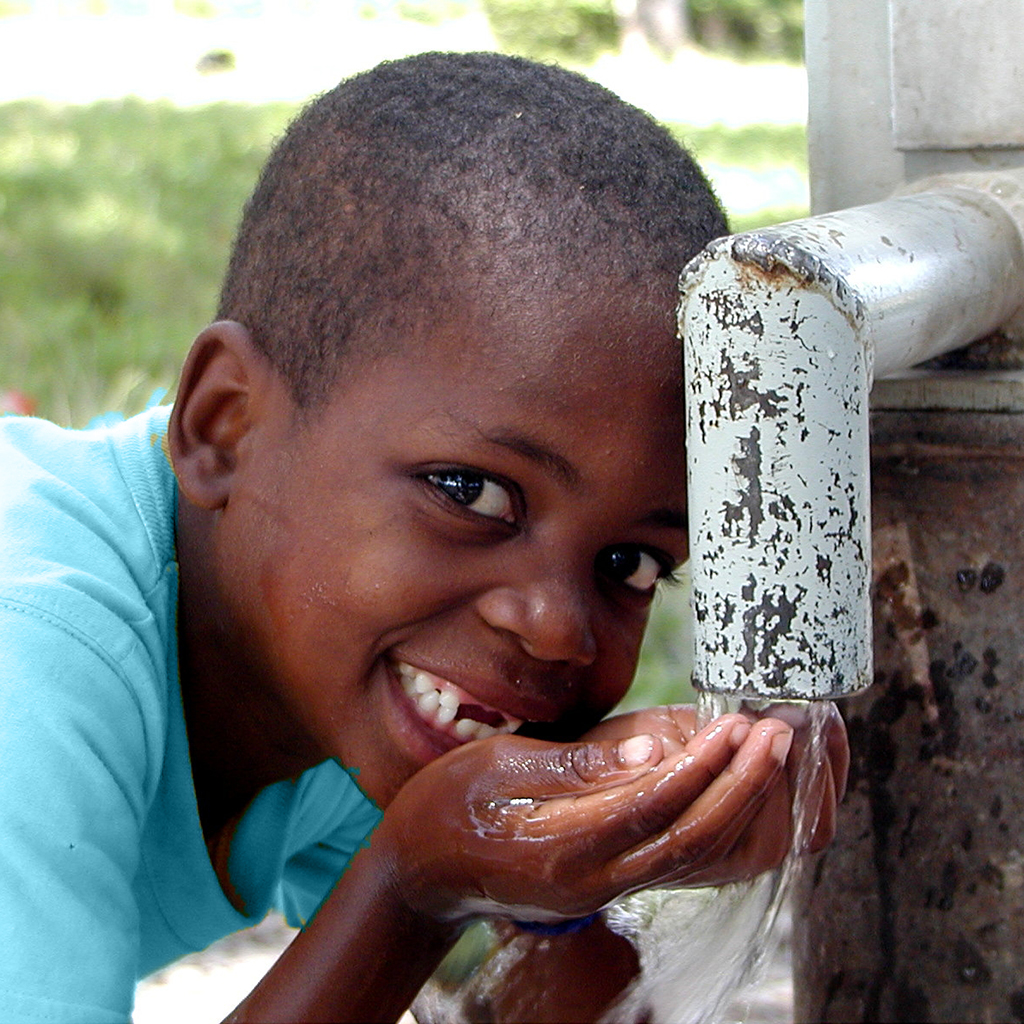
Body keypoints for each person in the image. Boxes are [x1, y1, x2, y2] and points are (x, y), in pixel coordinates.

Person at [0, 51, 847, 1023]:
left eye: (629, 563)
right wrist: (412, 885)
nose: (556, 629)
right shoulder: (29, 659)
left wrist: (625, 834)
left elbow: (550, 1001)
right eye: (470, 492)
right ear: (224, 425)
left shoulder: (317, 646)